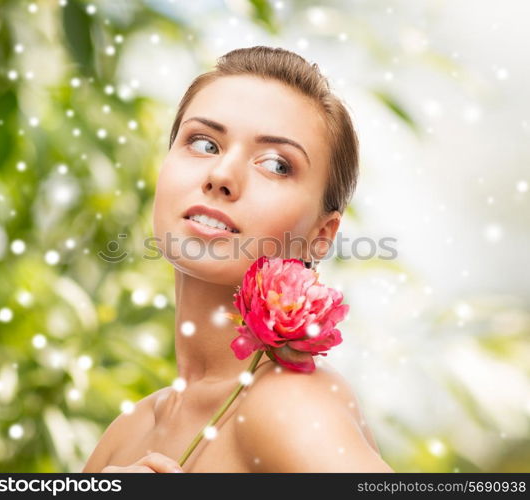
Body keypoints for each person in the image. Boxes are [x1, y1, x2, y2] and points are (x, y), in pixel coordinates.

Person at [82, 45, 394, 473]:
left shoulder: (288, 403)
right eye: (204, 142)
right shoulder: (126, 433)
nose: (222, 176)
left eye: (276, 165)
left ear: (321, 236)